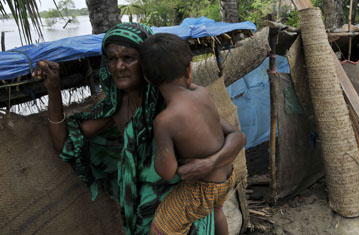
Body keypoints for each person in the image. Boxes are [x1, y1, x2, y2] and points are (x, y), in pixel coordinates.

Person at [32, 22, 246, 235]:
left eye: (128, 58)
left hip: (185, 207)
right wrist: (54, 89)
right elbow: (65, 145)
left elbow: (236, 137)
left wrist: (208, 163)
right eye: (112, 59)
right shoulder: (114, 108)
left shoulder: (173, 104)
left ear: (146, 65)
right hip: (143, 215)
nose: (118, 67)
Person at [139, 33, 243, 235]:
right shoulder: (202, 93)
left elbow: (167, 171)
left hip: (201, 189)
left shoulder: (164, 120)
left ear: (147, 78)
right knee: (218, 212)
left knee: (160, 229)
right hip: (227, 177)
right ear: (189, 68)